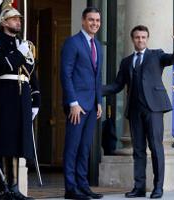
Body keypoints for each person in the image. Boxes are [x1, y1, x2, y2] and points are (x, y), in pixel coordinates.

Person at [103, 24, 174, 199]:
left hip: (154, 109)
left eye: (143, 37)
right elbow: (117, 85)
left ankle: (158, 188)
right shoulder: (126, 62)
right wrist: (96, 90)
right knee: (138, 150)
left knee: (156, 148)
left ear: (147, 39)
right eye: (137, 37)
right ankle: (139, 187)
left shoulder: (156, 55)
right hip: (134, 111)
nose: (140, 40)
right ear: (132, 39)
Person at [0, 2, 40, 200]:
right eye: (14, 18)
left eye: (19, 19)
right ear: (3, 22)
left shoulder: (26, 45)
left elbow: (32, 75)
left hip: (22, 97)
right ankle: (5, 190)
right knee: (4, 143)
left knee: (17, 143)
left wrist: (36, 99)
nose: (18, 22)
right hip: (4, 97)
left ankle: (15, 187)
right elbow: (3, 66)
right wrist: (19, 53)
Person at [60, 7, 103, 200]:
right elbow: (65, 74)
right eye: (91, 20)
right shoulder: (72, 42)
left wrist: (99, 102)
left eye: (97, 21)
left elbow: (97, 77)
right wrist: (72, 102)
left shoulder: (98, 45)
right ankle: (71, 188)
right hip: (76, 106)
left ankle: (83, 185)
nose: (95, 23)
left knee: (85, 147)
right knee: (73, 147)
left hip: (92, 105)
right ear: (83, 21)